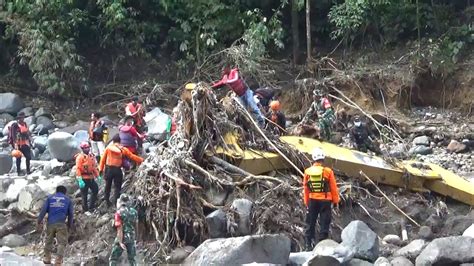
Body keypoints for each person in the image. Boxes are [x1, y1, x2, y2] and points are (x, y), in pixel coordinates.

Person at [303, 148, 339, 251]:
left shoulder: (307, 172)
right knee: (324, 223)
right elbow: (333, 188)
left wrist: (306, 202)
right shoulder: (328, 171)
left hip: (312, 201)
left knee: (310, 223)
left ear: (313, 159)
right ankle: (322, 246)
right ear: (322, 158)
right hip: (325, 201)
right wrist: (336, 201)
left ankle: (308, 246)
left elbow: (305, 189)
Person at [99, 134, 144, 207]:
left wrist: (100, 169)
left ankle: (107, 201)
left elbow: (103, 159)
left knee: (108, 186)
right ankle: (116, 202)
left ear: (113, 141)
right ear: (120, 141)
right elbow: (132, 156)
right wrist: (141, 160)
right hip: (117, 170)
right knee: (117, 187)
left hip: (108, 169)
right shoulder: (123, 149)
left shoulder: (108, 148)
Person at [37, 185, 74, 266]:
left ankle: (47, 258)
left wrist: (39, 221)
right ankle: (58, 261)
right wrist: (70, 225)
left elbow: (43, 210)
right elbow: (71, 214)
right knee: (62, 242)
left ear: (56, 191)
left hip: (51, 223)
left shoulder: (50, 198)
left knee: (48, 240)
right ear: (65, 192)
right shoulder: (68, 200)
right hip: (61, 223)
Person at [109, 194, 138, 266]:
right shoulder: (134, 212)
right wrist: (135, 238)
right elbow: (136, 225)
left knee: (113, 259)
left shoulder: (118, 213)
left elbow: (119, 229)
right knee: (132, 259)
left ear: (120, 202)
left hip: (123, 237)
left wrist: (120, 242)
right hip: (131, 237)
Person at [75, 141, 100, 214]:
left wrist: (97, 176)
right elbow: (78, 169)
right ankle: (85, 209)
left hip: (91, 177)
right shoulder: (80, 157)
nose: (87, 149)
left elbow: (93, 167)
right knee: (84, 194)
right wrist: (80, 180)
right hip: (83, 178)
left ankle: (91, 206)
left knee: (95, 189)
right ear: (82, 149)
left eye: (88, 147)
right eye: (85, 148)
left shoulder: (91, 156)